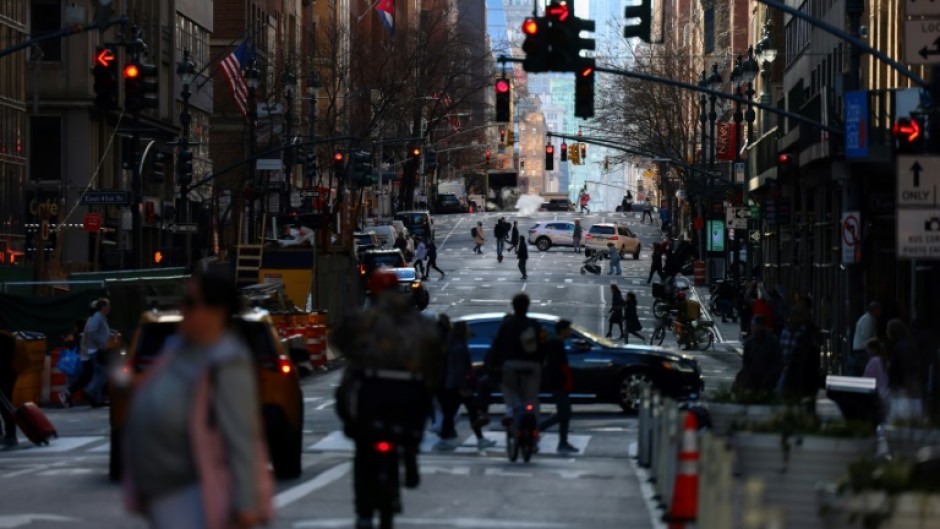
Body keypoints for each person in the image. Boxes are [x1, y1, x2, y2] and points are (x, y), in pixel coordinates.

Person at [124, 267, 272, 529]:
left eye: (191, 303)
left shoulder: (227, 362)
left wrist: (247, 502)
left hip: (197, 496)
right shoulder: (178, 349)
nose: (183, 308)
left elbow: (242, 438)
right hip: (164, 494)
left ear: (217, 311)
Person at [332, 270, 439, 529]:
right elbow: (434, 353)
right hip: (409, 394)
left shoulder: (364, 320)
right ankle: (411, 451)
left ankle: (364, 513)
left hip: (371, 392)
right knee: (420, 410)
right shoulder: (419, 322)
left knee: (363, 451)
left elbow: (339, 341)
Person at [436, 322, 496, 451]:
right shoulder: (460, 347)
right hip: (459, 386)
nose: (470, 331)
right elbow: (459, 370)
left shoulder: (455, 345)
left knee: (458, 413)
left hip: (455, 385)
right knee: (462, 413)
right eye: (467, 329)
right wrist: (464, 386)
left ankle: (446, 438)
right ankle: (477, 439)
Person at [487, 293, 544, 427]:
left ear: (513, 306)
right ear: (528, 306)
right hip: (532, 365)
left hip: (511, 365)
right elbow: (543, 346)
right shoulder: (534, 324)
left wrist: (492, 365)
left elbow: (497, 345)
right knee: (531, 399)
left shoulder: (507, 324)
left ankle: (510, 411)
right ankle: (534, 434)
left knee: (508, 388)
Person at [60, 298, 111, 408]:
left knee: (92, 375)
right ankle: (88, 394)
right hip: (90, 352)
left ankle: (94, 398)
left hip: (88, 352)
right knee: (92, 375)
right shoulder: (95, 318)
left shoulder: (93, 319)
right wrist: (100, 343)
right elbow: (90, 334)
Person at [539, 320, 578, 454]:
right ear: (562, 330)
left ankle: (562, 441)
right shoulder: (556, 344)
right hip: (559, 384)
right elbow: (557, 366)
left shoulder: (555, 343)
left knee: (564, 414)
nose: (570, 332)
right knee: (564, 413)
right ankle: (539, 429)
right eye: (568, 329)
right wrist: (563, 381)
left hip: (558, 383)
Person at [777, 301, 821, 406]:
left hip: (804, 374)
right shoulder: (786, 332)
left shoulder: (807, 332)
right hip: (789, 372)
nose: (795, 317)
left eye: (799, 314)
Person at [733, 315, 783, 393]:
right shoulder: (750, 342)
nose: (757, 328)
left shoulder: (773, 341)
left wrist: (771, 377)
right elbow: (746, 362)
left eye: (759, 325)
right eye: (755, 325)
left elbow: (777, 362)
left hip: (768, 380)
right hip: (752, 379)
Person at [886, 318, 924, 420]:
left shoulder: (900, 347)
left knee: (901, 411)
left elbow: (900, 367)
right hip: (908, 382)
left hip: (902, 384)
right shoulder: (908, 344)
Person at [862, 338, 891, 423]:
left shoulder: (874, 361)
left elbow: (867, 377)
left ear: (873, 349)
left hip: (877, 392)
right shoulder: (884, 359)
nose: (867, 351)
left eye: (868, 349)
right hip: (886, 391)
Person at [851, 302, 881, 377]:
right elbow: (866, 336)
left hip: (863, 350)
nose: (880, 312)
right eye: (879, 310)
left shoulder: (868, 319)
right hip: (863, 350)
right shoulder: (868, 320)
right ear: (875, 310)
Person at [0, 317, 17, 447]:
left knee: (5, 406)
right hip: (9, 374)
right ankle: (9, 434)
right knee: (5, 405)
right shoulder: (9, 337)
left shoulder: (3, 339)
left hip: (3, 375)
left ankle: (10, 435)